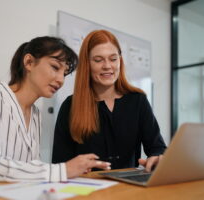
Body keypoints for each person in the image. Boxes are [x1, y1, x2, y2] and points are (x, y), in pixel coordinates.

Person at [0, 36, 110, 183]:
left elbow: (28, 168)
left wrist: (73, 170)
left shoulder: (35, 115)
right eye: (55, 67)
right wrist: (62, 170)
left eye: (64, 73)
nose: (60, 80)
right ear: (29, 62)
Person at [52, 30, 166, 172]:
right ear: (87, 64)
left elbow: (157, 147)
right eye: (98, 60)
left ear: (120, 60)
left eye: (113, 59)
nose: (107, 66)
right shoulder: (70, 106)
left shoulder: (138, 101)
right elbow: (59, 165)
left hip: (128, 188)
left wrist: (157, 157)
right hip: (87, 189)